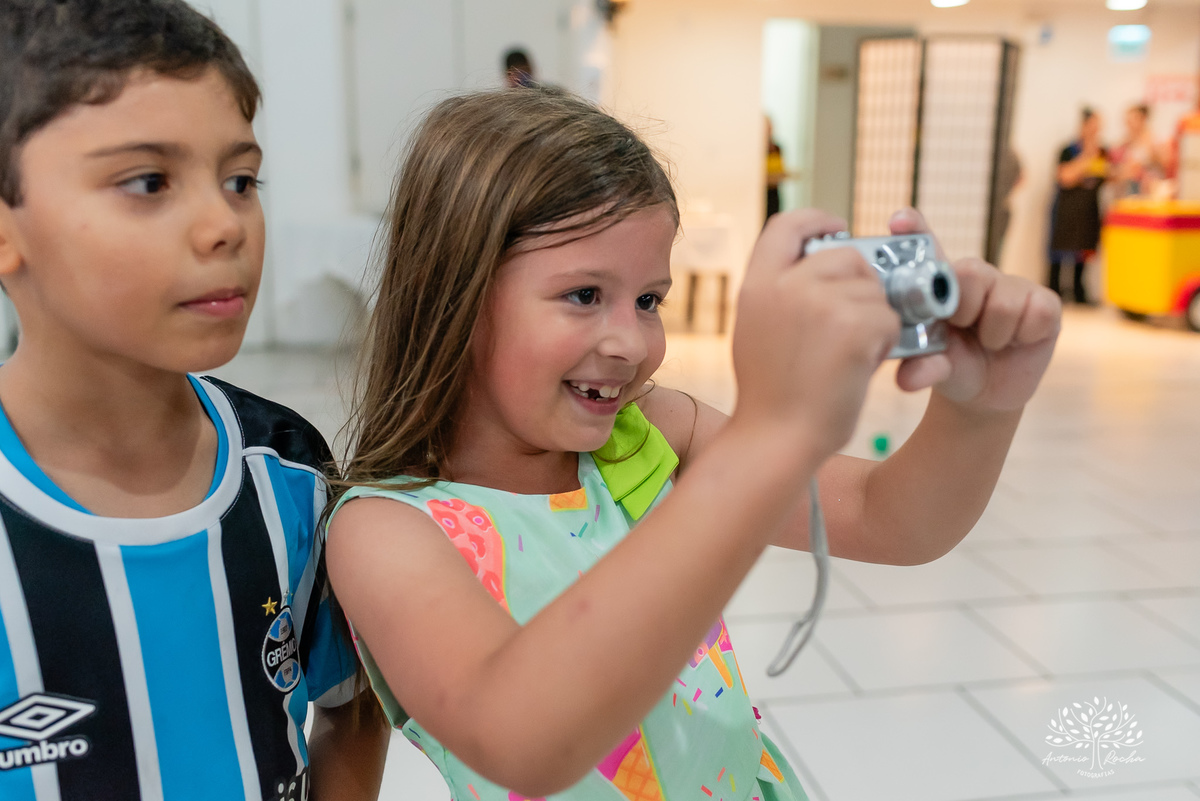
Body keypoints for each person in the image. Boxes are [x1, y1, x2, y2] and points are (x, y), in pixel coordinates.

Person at [326, 87, 1062, 800]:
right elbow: (524, 735)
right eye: (585, 295)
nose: (631, 341)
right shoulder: (386, 531)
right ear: (452, 293)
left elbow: (891, 519)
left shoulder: (649, 436)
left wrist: (981, 408)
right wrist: (773, 434)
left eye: (649, 300)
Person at [0, 2, 388, 799]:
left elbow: (353, 709)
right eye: (148, 182)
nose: (225, 224)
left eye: (241, 179)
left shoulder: (291, 471)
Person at [1048, 107, 1109, 304]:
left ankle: (1079, 292)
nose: (1096, 130)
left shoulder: (1103, 152)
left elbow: (1108, 176)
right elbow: (1064, 177)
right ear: (1083, 125)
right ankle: (1054, 291)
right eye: (1093, 125)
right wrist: (1087, 157)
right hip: (1067, 209)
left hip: (1089, 210)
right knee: (1059, 253)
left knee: (1084, 254)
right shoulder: (1068, 150)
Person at [1110, 103, 1162, 199]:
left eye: (1133, 119)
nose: (1129, 123)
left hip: (1147, 191)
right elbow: (1114, 170)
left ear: (1143, 119)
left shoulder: (1154, 141)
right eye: (1127, 120)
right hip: (1128, 191)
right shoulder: (1123, 144)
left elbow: (1162, 165)